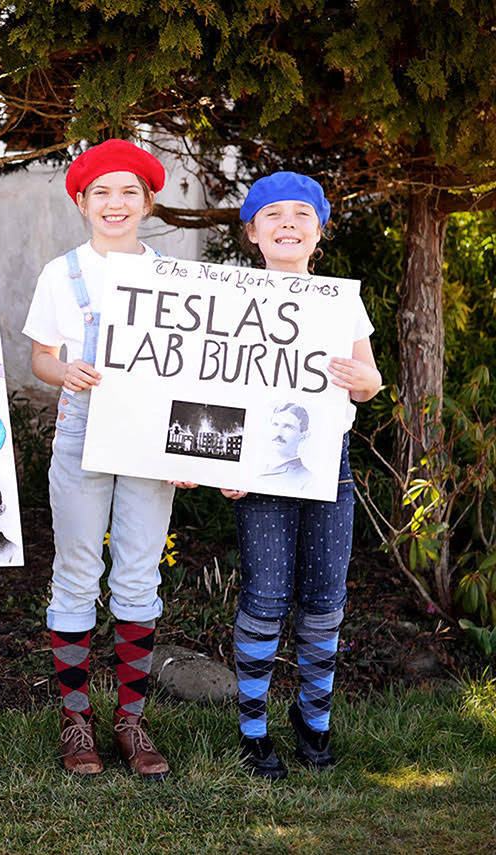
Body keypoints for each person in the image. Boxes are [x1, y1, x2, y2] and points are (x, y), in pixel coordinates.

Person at [23, 139, 181, 779]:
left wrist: (191, 449)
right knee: (77, 571)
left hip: (150, 436)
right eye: (102, 193)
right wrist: (65, 371)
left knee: (139, 573)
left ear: (148, 202)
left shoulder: (173, 278)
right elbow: (40, 358)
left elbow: (193, 376)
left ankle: (131, 721)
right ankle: (76, 720)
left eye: (128, 193)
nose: (115, 204)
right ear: (82, 202)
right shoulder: (61, 273)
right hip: (82, 432)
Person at [223, 172, 381, 779]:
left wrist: (362, 380)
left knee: (324, 599)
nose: (287, 224)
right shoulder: (230, 298)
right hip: (257, 468)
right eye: (273, 215)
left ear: (320, 232)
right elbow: (214, 391)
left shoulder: (340, 301)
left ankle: (313, 719)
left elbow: (369, 382)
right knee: (265, 598)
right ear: (252, 233)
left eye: (301, 215)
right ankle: (253, 729)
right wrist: (220, 463)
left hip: (327, 465)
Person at [258, 402, 313, 490]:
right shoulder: (256, 467)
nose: (278, 433)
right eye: (275, 424)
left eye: (288, 427)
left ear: (303, 435)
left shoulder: (308, 481)